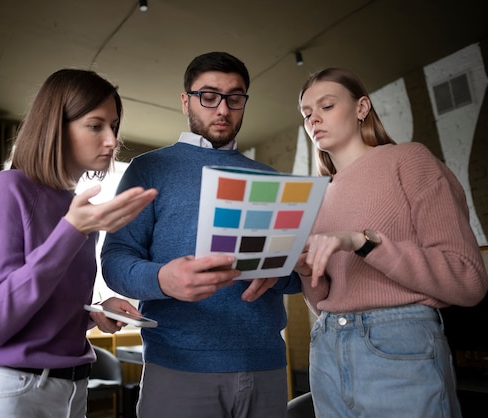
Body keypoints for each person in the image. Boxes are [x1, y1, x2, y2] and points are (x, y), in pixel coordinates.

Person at [0, 69, 157, 418]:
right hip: (8, 392)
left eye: (114, 126)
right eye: (95, 125)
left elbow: (38, 303)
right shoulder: (9, 189)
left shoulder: (75, 208)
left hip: (71, 391)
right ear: (56, 126)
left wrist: (95, 313)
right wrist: (71, 231)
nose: (111, 140)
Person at [101, 51, 302, 418]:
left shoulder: (271, 178)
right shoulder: (149, 168)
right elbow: (115, 261)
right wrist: (162, 279)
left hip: (267, 365)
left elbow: (293, 278)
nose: (222, 109)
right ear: (186, 101)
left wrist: (282, 273)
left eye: (235, 98)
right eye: (208, 97)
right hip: (177, 366)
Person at [295, 67, 488, 417]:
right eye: (307, 114)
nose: (314, 119)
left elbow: (468, 280)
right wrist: (308, 271)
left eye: (326, 106)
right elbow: (323, 303)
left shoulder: (408, 160)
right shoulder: (317, 197)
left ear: (361, 107)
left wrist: (364, 242)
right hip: (325, 350)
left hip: (398, 343)